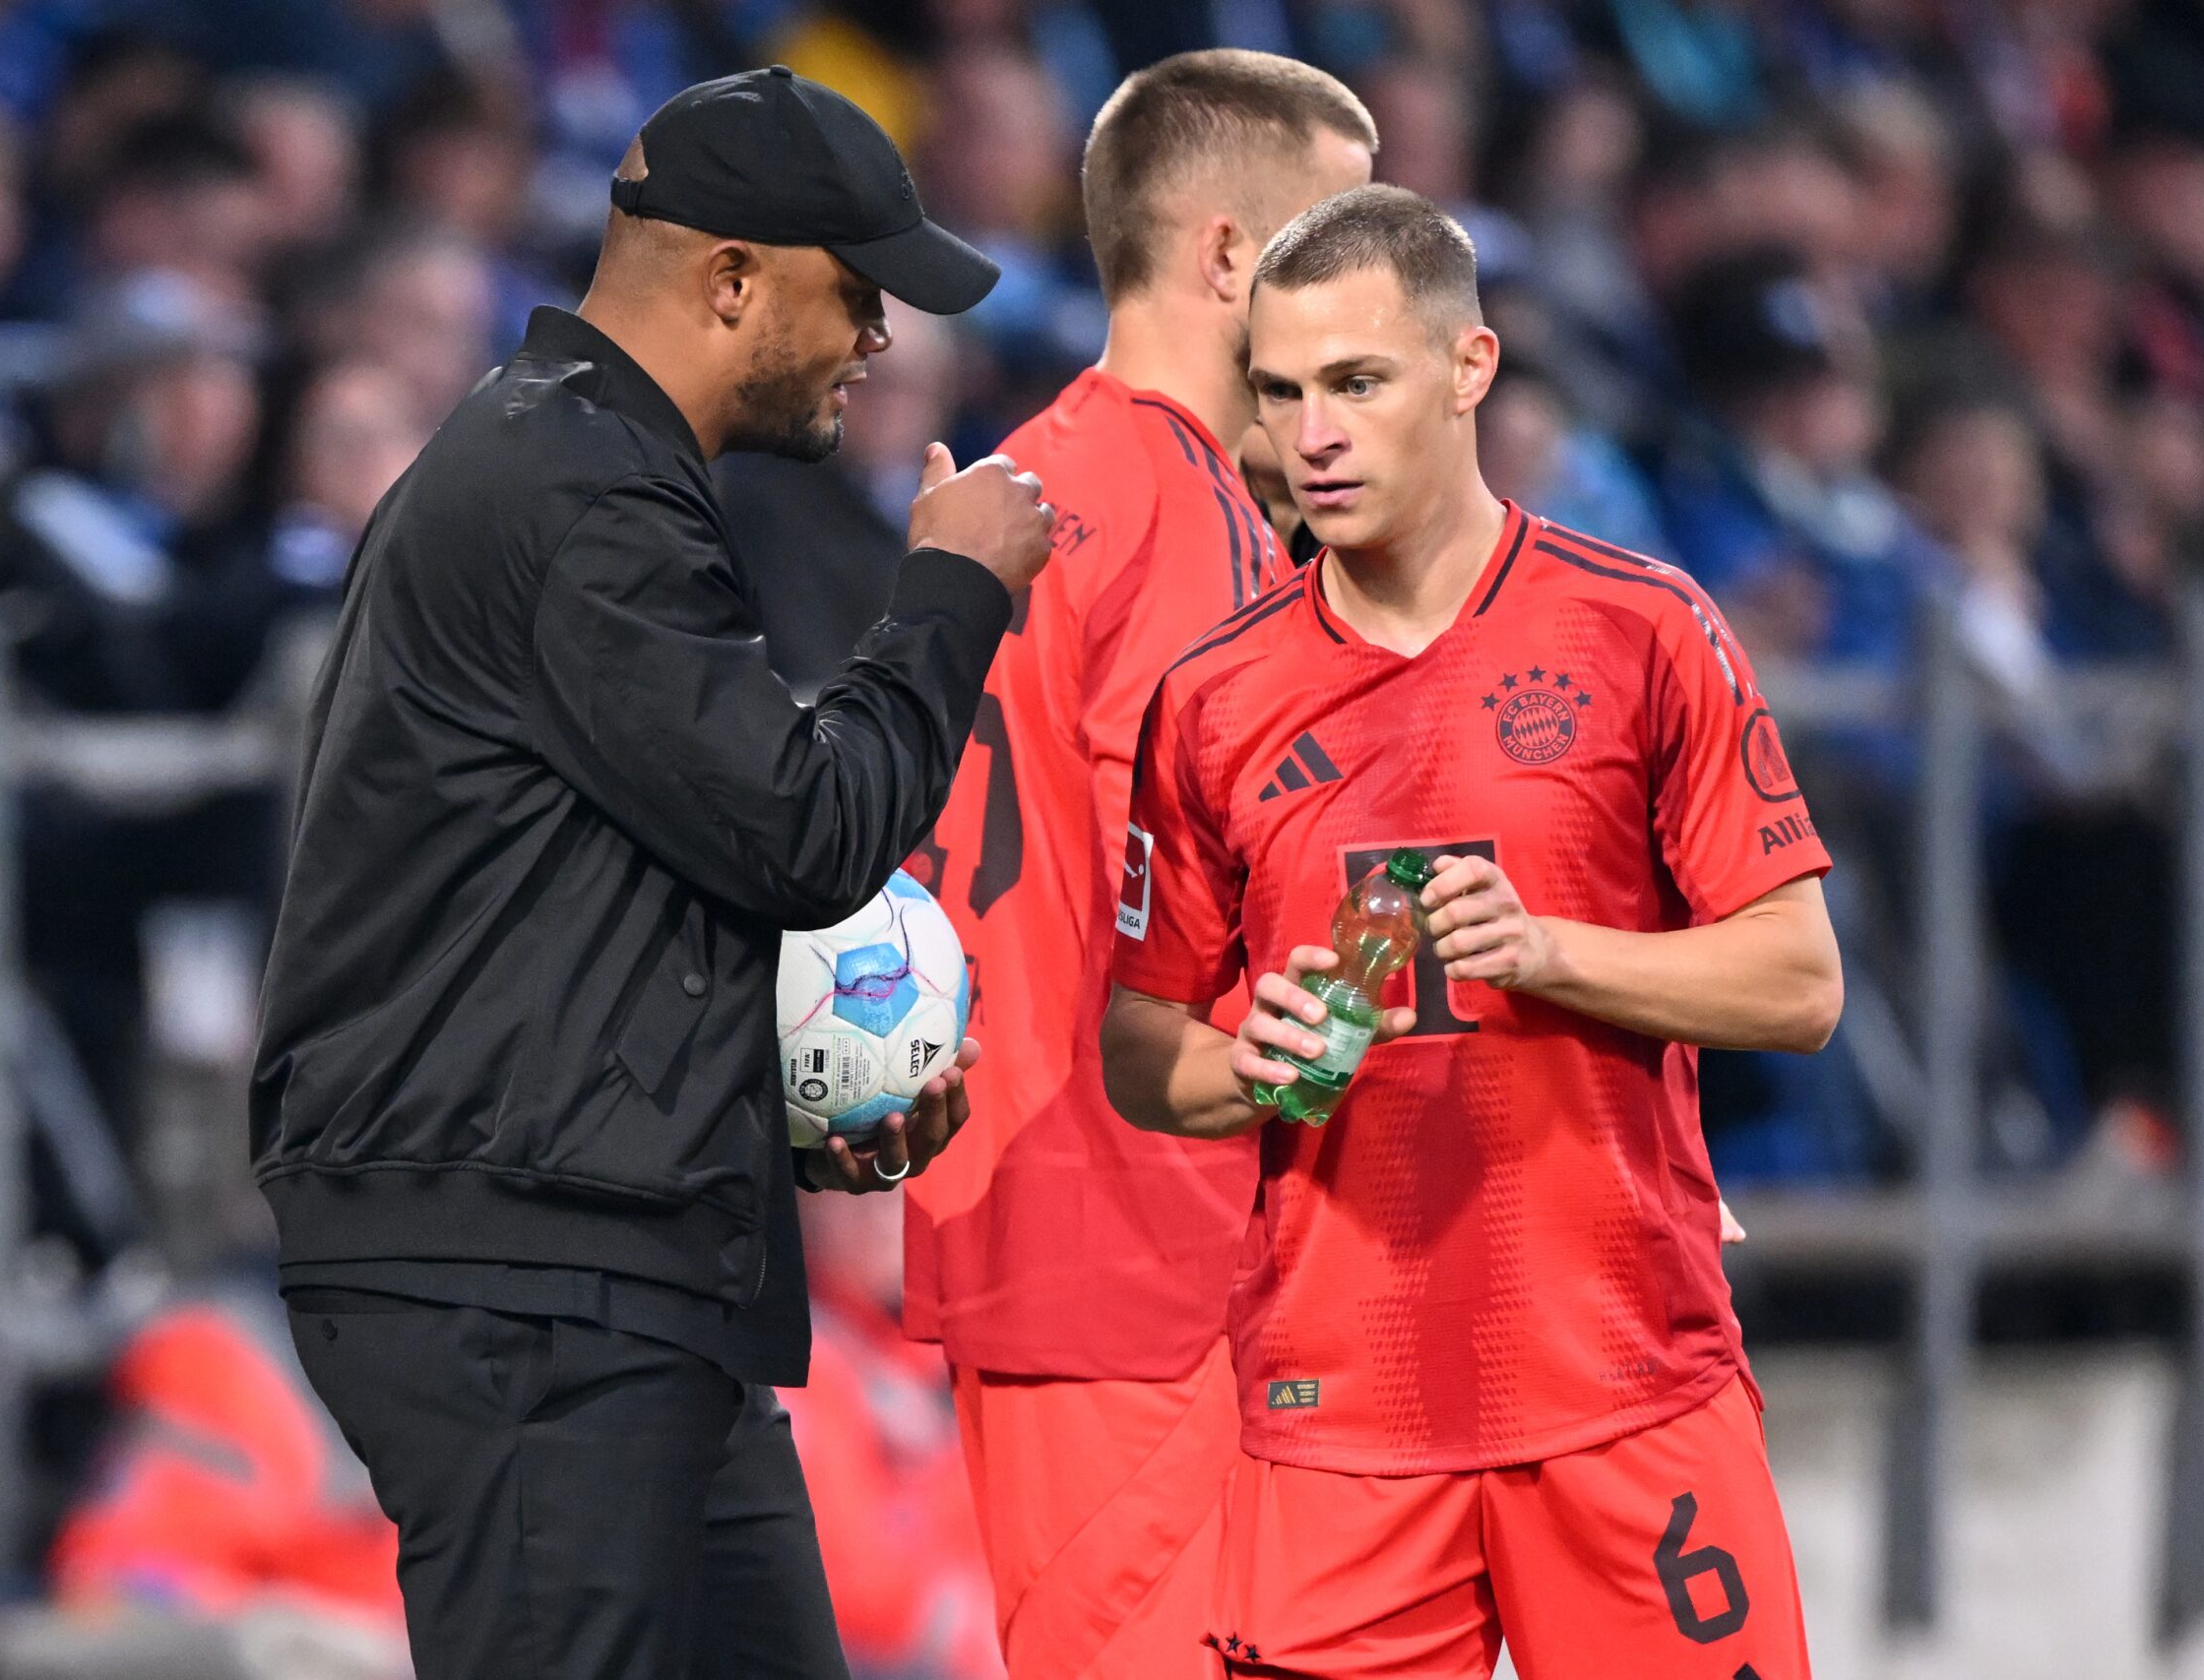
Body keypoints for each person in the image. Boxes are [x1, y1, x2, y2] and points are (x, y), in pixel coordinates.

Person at [248, 69, 1054, 1680]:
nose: (881, 340)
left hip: (603, 1253)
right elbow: (812, 833)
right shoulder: (574, 493)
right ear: (731, 279)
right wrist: (953, 594)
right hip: (519, 1279)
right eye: (857, 293)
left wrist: (788, 1114)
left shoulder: (578, 466)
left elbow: (603, 899)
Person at [1100, 185, 1837, 1678]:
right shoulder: (1213, 699)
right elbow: (1135, 1045)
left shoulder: (1641, 630)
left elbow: (1798, 980)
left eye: (1356, 383)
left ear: (1467, 370)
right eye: (1281, 391)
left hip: (1624, 1386)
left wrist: (1555, 952)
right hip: (1339, 1421)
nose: (1312, 433)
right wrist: (1249, 1060)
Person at [897, 49, 1375, 1679]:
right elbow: (1213, 906)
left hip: (1101, 1240)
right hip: (1130, 1247)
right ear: (1230, 258)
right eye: (1335, 240)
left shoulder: (1071, 486)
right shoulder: (1164, 515)